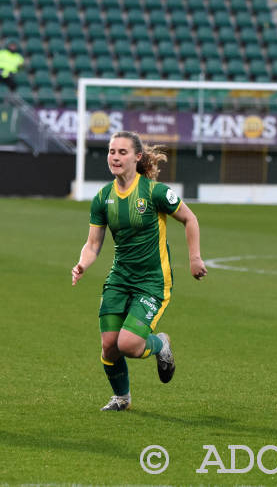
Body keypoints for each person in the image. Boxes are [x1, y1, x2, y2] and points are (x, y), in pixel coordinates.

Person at [71, 131, 207, 411]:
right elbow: (93, 243)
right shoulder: (102, 198)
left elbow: (189, 218)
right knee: (109, 345)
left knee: (130, 345)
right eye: (112, 152)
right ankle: (121, 398)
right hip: (120, 279)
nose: (116, 157)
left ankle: (160, 344)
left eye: (122, 152)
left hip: (152, 281)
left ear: (137, 157)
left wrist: (195, 258)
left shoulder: (155, 192)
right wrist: (83, 263)